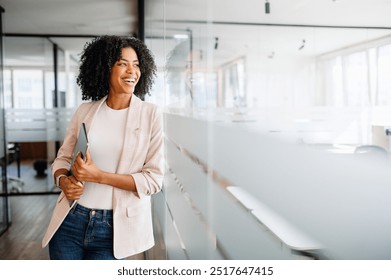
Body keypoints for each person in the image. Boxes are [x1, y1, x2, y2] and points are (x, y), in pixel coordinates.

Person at [41, 35, 164, 260]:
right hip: (71, 220)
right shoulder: (85, 111)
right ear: (105, 68)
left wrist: (99, 176)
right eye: (122, 64)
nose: (132, 71)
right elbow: (62, 160)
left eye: (136, 65)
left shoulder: (150, 114)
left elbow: (154, 180)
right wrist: (63, 180)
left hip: (114, 229)